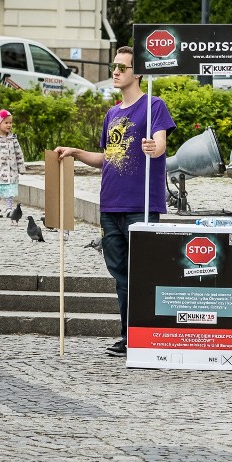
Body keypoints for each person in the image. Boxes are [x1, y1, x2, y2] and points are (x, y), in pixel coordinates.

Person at [55, 45, 176, 357]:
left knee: (143, 273)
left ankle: (145, 334)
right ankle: (127, 336)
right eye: (115, 67)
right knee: (120, 275)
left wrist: (154, 147)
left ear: (138, 73)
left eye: (122, 67)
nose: (116, 72)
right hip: (110, 206)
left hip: (141, 205)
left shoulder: (153, 106)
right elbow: (107, 157)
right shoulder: (112, 113)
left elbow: (160, 144)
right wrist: (75, 152)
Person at [0, 107, 26, 215]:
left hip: (11, 171)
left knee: (10, 190)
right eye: (6, 122)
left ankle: (8, 208)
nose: (9, 125)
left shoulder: (13, 139)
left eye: (10, 123)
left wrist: (21, 167)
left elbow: (19, 154)